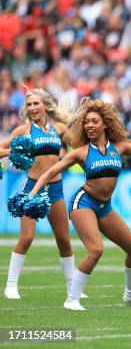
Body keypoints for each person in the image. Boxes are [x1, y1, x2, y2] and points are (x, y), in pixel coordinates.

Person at [28, 99, 131, 311]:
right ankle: (72, 299)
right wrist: (33, 193)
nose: (89, 125)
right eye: (86, 122)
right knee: (96, 249)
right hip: (83, 204)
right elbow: (52, 171)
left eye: (94, 121)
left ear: (105, 124)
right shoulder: (81, 152)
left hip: (104, 207)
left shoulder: (120, 147)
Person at [0, 89, 85, 300]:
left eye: (36, 104)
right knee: (27, 237)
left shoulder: (59, 128)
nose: (32, 108)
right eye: (29, 105)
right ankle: (11, 285)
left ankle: (71, 288)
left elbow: (81, 148)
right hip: (32, 190)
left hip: (55, 190)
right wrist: (15, 151)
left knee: (64, 241)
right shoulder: (23, 130)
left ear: (45, 106)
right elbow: (1, 149)